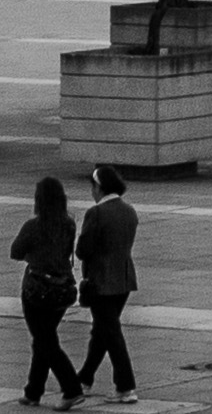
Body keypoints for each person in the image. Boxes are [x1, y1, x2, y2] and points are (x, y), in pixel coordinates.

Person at [7, 177, 85, 408]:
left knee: (45, 341)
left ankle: (72, 389)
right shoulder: (68, 224)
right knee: (43, 338)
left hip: (37, 290)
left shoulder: (33, 226)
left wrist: (34, 255)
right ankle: (33, 391)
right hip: (62, 289)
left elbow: (15, 251)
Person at [74, 162, 142, 399]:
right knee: (102, 332)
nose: (92, 192)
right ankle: (84, 378)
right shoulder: (129, 211)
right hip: (123, 279)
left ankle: (125, 386)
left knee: (111, 334)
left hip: (101, 281)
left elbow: (83, 250)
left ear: (99, 187)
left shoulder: (96, 213)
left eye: (93, 187)